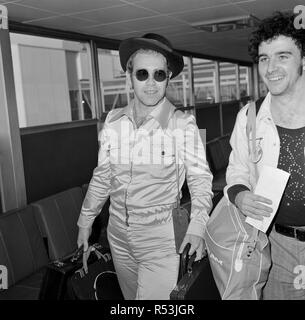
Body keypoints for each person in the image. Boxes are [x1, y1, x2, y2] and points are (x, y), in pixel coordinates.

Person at [77, 33, 213, 300]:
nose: (151, 84)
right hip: (117, 235)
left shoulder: (183, 124)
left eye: (159, 75)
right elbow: (103, 177)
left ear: (168, 76)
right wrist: (85, 220)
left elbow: (200, 180)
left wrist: (197, 228)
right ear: (129, 75)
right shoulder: (113, 121)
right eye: (142, 74)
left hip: (160, 238)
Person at [225, 11, 305, 299]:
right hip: (276, 245)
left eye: (283, 56)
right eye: (263, 58)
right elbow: (236, 170)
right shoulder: (250, 116)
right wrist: (240, 195)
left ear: (303, 60)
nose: (271, 67)